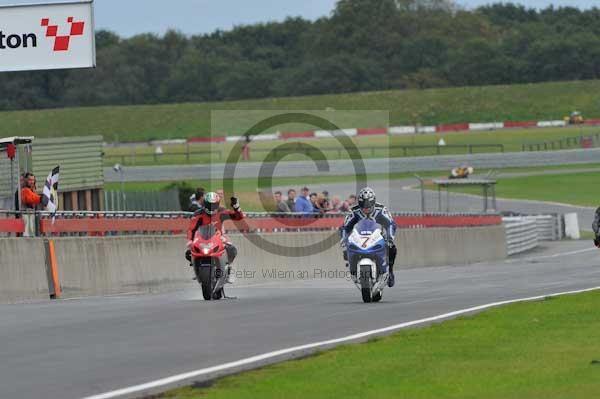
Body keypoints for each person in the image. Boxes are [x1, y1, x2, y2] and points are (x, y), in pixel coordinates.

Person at [341, 187, 398, 287]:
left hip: (378, 236)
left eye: (368, 206)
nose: (366, 208)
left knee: (392, 248)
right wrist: (344, 239)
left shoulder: (381, 209)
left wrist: (390, 238)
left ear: (373, 202)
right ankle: (353, 268)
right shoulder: (354, 211)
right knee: (346, 249)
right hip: (360, 237)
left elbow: (390, 224)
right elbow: (345, 227)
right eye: (363, 206)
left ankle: (390, 271)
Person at [186, 192, 244, 283]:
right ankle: (196, 269)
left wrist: (236, 207)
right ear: (205, 204)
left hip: (219, 237)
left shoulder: (222, 211)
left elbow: (238, 217)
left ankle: (228, 269)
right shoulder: (198, 214)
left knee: (232, 249)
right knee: (189, 252)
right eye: (209, 204)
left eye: (214, 205)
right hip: (202, 239)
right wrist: (190, 240)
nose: (211, 207)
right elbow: (191, 229)